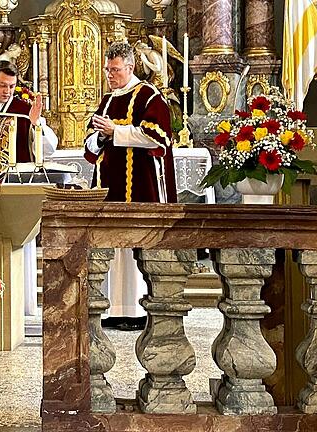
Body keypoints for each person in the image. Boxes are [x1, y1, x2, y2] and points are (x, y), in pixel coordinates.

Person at [84, 42, 177, 331]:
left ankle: (136, 310)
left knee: (135, 241)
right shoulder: (109, 100)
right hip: (109, 183)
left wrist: (116, 131)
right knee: (112, 245)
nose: (110, 75)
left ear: (131, 67)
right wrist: (101, 137)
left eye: (115, 70)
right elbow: (90, 143)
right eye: (108, 70)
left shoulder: (150, 97)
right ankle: (113, 309)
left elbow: (157, 137)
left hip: (140, 182)